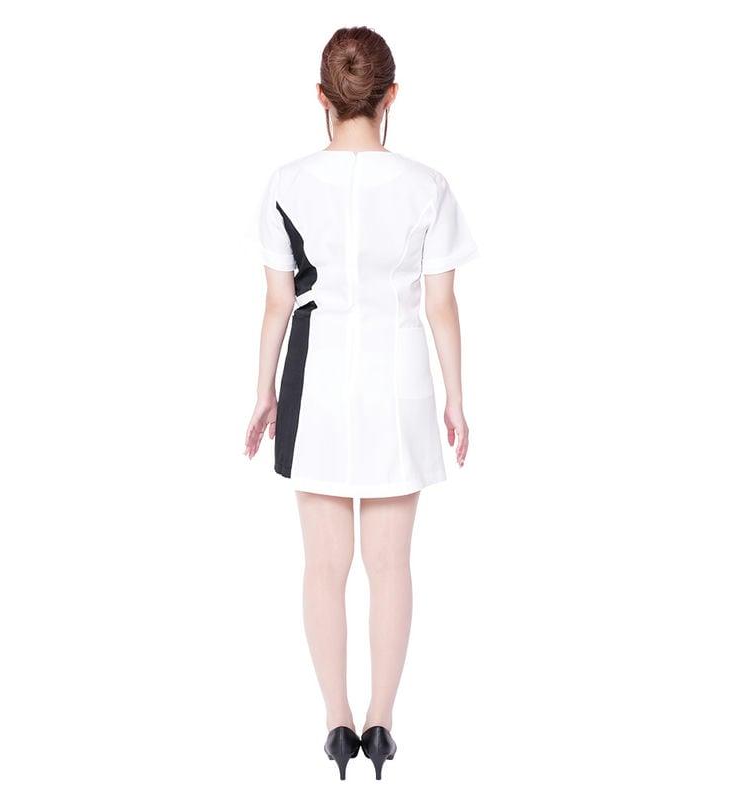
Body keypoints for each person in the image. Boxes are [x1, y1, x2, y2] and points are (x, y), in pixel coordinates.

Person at [244, 25, 479, 780]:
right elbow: (441, 306)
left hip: (313, 386)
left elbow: (278, 303)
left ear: (321, 96)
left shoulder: (286, 183)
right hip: (398, 382)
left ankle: (336, 722)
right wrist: (456, 398)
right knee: (390, 564)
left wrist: (263, 393)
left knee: (323, 565)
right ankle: (381, 721)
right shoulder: (427, 185)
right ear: (391, 96)